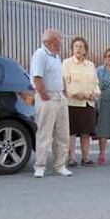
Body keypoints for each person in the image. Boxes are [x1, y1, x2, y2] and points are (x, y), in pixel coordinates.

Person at [30, 29, 72, 178]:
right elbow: (37, 77)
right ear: (48, 41)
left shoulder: (55, 56)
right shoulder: (40, 54)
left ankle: (60, 165)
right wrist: (43, 95)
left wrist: (64, 92)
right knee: (45, 132)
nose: (60, 44)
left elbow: (59, 76)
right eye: (58, 41)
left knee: (62, 133)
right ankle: (40, 166)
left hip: (60, 96)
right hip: (47, 96)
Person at [62, 36, 100, 167]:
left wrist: (95, 93)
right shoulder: (67, 63)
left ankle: (86, 157)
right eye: (76, 46)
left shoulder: (90, 65)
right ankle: (71, 158)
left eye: (81, 46)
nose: (78, 49)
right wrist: (77, 94)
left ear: (85, 49)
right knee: (71, 132)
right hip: (73, 102)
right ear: (72, 49)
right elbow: (66, 82)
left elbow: (95, 82)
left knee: (86, 131)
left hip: (88, 103)